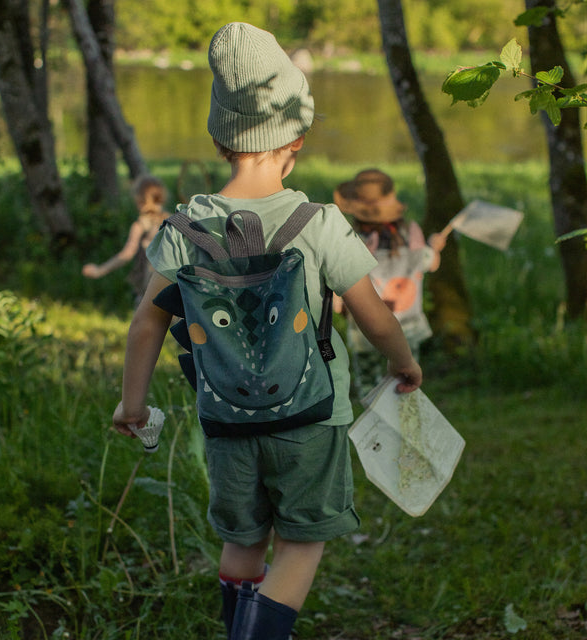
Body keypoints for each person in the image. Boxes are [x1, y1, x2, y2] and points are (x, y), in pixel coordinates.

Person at [112, 23, 422, 640]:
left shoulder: (183, 227)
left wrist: (132, 402)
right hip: (310, 421)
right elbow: (375, 314)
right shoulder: (320, 223)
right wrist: (402, 364)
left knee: (243, 544)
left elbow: (146, 323)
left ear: (221, 139)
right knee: (301, 546)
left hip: (225, 424)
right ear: (297, 140)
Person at [333, 169, 447, 400]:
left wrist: (339, 306)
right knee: (404, 387)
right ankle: (402, 431)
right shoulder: (412, 239)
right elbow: (431, 262)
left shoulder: (352, 245)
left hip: (365, 334)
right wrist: (435, 246)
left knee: (369, 389)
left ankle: (376, 433)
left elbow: (337, 302)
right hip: (407, 332)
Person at [82, 175, 170, 305]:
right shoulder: (173, 220)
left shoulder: (140, 225)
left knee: (142, 323)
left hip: (149, 287)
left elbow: (127, 254)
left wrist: (99, 270)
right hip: (172, 285)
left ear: (139, 199)